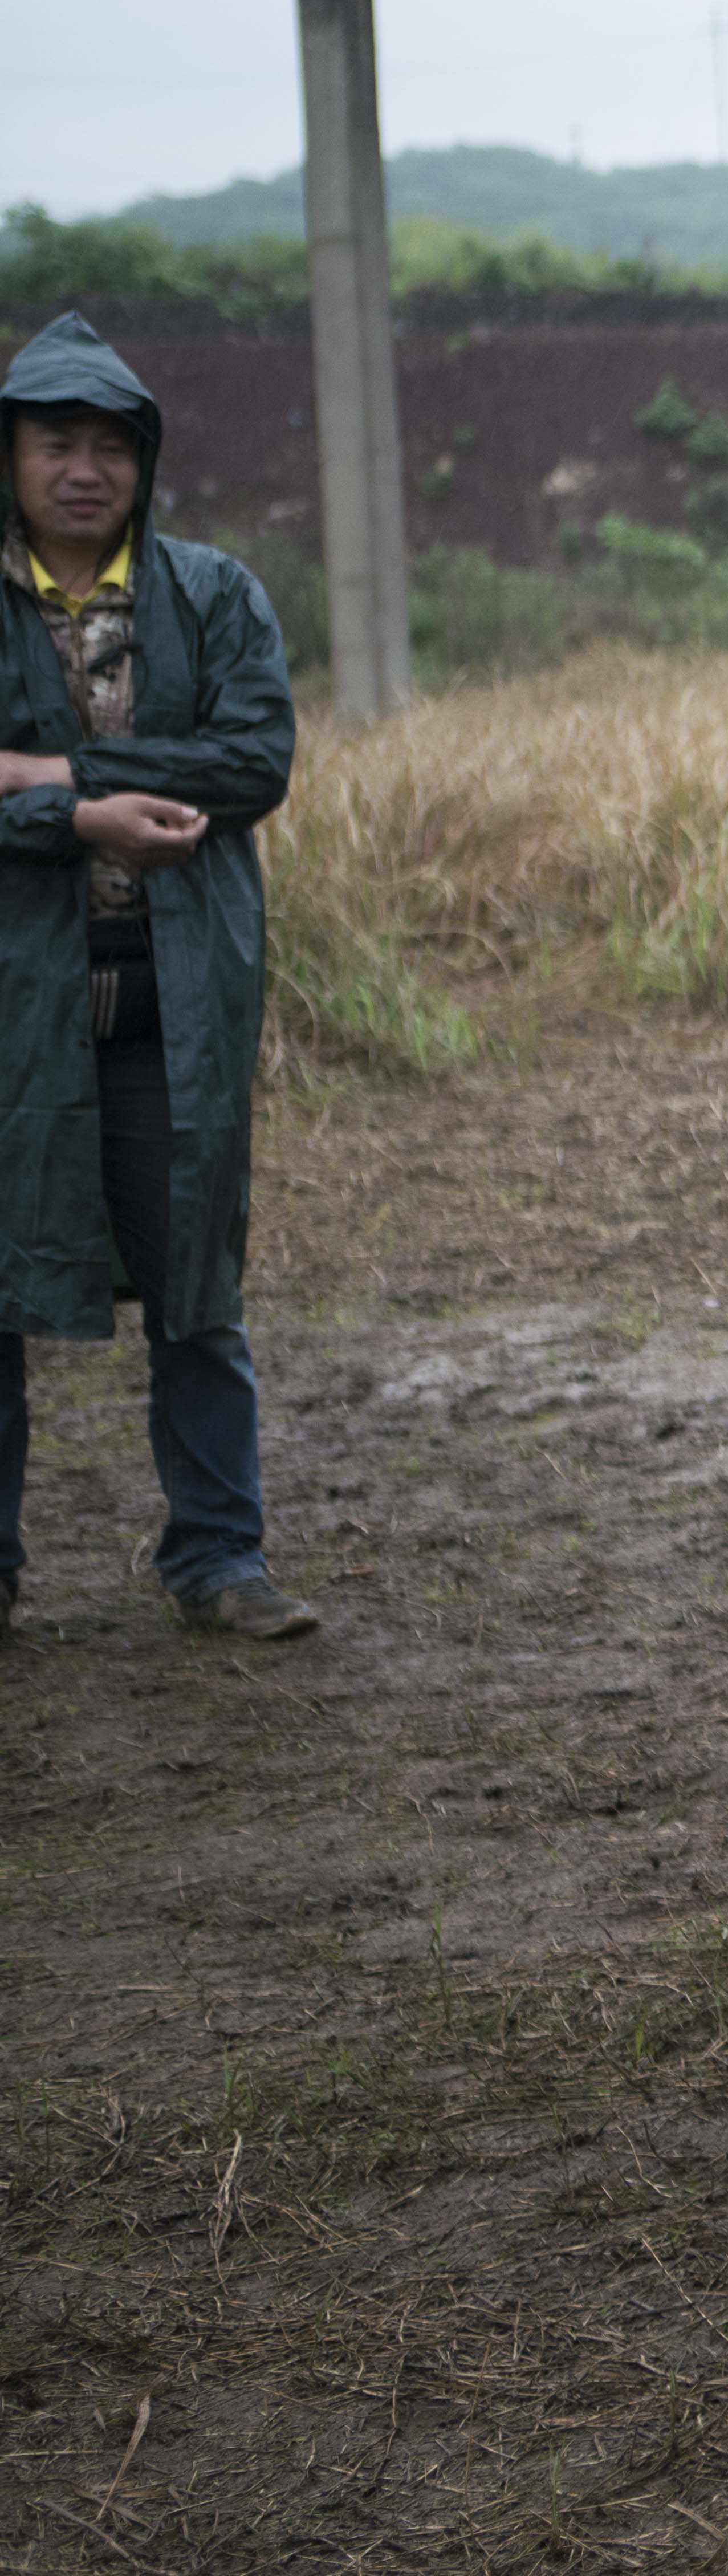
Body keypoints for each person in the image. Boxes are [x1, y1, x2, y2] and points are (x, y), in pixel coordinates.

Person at [1, 315, 306, 1642]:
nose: (85, 468)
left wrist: (51, 774)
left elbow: (253, 765)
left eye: (110, 444)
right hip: (16, 1010)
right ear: (10, 455)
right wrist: (69, 824)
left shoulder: (211, 591)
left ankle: (220, 1558)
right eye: (56, 441)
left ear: (145, 460)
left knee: (198, 1280)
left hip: (178, 993)